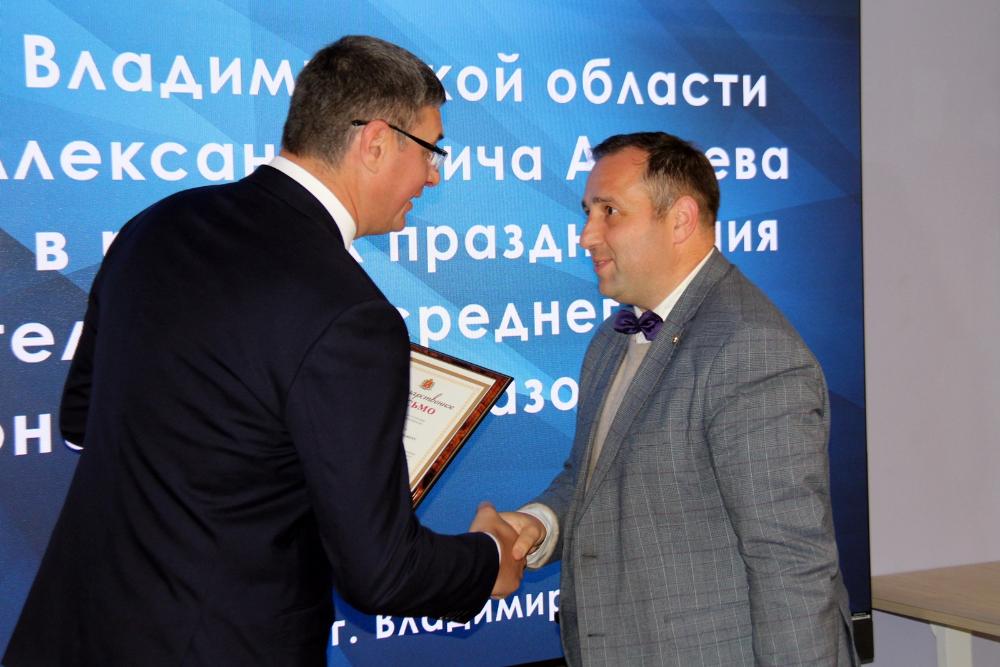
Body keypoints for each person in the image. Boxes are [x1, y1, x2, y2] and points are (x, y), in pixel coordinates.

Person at [4, 36, 523, 667]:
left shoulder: (157, 224)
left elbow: (82, 421)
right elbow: (381, 573)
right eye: (432, 149)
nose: (434, 174)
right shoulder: (351, 315)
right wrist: (488, 560)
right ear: (376, 141)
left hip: (70, 635)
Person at [502, 132, 858, 666]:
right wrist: (540, 525)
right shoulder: (612, 339)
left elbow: (791, 563)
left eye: (609, 212)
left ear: (681, 220)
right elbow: (591, 478)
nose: (586, 235)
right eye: (587, 212)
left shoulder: (750, 349)